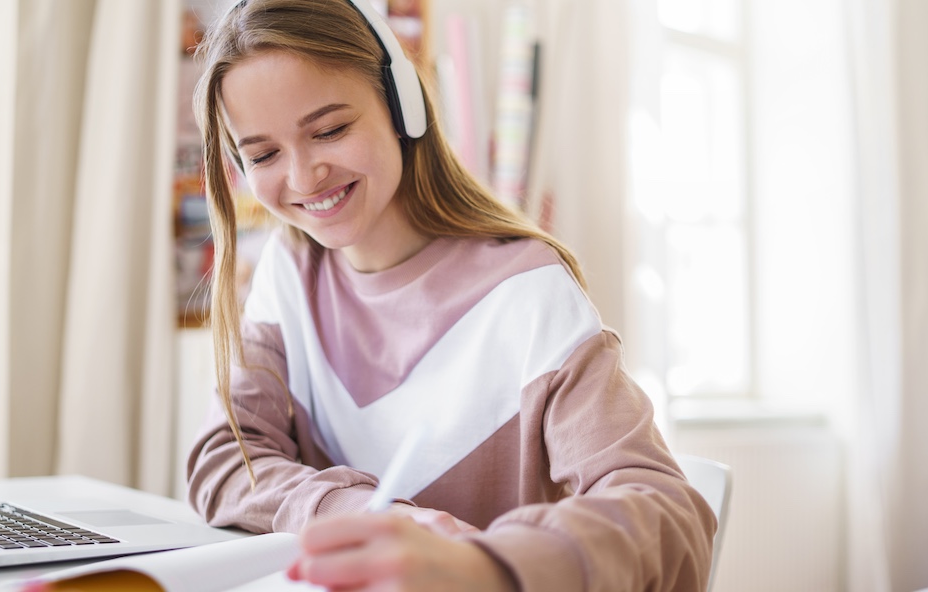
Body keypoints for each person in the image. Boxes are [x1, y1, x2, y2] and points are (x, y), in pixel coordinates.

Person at [184, 0, 717, 590]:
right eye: (263, 155)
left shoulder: (526, 291)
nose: (305, 177)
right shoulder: (287, 271)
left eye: (331, 129)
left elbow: (667, 511)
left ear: (401, 106)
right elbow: (226, 461)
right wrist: (361, 513)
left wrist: (485, 566)